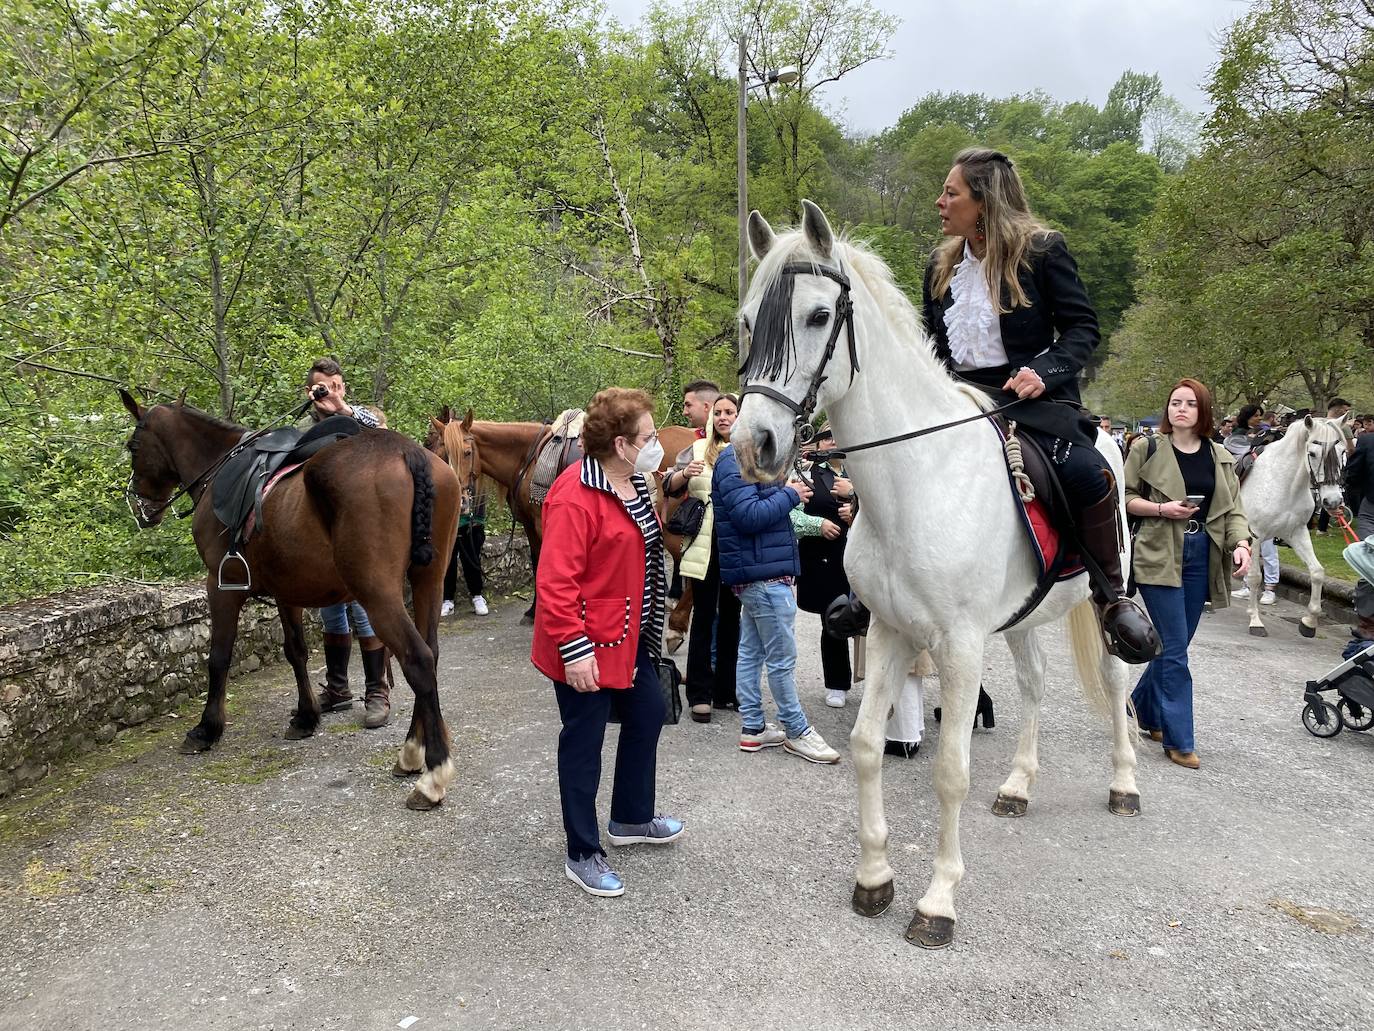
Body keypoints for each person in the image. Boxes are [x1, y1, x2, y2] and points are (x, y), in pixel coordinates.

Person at [918, 147, 1157, 662]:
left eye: (951, 193)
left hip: (1030, 398)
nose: (940, 202)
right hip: (957, 400)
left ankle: (1112, 596)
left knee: (1088, 472)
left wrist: (1042, 372)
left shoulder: (1043, 251)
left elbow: (1082, 328)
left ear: (982, 202)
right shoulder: (940, 266)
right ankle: (878, 589)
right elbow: (931, 345)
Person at [530, 387, 683, 897]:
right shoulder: (575, 496)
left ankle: (632, 819)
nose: (656, 443)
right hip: (585, 643)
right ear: (621, 444)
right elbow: (555, 582)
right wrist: (574, 651)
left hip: (628, 636)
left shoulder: (635, 482)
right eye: (648, 436)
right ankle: (582, 850)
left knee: (646, 713)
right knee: (584, 741)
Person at [1124, 379, 1251, 770]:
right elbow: (1124, 499)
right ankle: (1180, 739)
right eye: (1175, 402)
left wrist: (1242, 544)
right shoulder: (1146, 448)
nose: (1181, 409)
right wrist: (1163, 510)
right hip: (1159, 551)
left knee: (1173, 643)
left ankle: (1143, 708)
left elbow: (1233, 510)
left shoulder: (1219, 456)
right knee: (1176, 647)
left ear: (1203, 411)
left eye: (1190, 404)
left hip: (1203, 554)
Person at [713, 438, 841, 763]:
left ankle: (754, 728)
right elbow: (748, 515)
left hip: (762, 573)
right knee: (781, 660)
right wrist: (791, 494)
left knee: (751, 653)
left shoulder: (752, 457)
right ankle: (797, 731)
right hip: (764, 577)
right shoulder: (736, 459)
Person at [300, 357, 391, 729]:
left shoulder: (363, 418)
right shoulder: (304, 427)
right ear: (311, 390)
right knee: (331, 610)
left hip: (362, 530)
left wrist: (342, 410)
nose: (332, 392)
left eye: (337, 385)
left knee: (364, 607)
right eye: (324, 387)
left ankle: (378, 691)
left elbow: (384, 433)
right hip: (318, 533)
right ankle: (338, 689)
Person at [676, 394, 742, 722]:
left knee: (732, 615)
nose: (723, 417)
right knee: (703, 616)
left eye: (730, 412)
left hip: (735, 544)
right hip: (704, 543)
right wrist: (684, 474)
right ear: (711, 416)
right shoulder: (698, 449)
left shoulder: (750, 452)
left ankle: (726, 690)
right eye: (719, 412)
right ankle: (699, 694)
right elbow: (672, 486)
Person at [791, 425, 857, 708]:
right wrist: (817, 525)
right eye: (826, 435)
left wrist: (855, 506)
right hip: (824, 557)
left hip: (860, 555)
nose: (833, 439)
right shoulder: (805, 474)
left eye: (838, 432)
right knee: (833, 618)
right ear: (817, 445)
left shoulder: (863, 472)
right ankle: (837, 682)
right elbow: (790, 515)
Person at [1225, 403, 1280, 604]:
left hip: (1265, 500)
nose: (1258, 418)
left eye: (1260, 415)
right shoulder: (1236, 437)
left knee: (1267, 545)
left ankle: (1270, 587)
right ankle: (1249, 584)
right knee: (1252, 544)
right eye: (1255, 415)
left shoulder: (1265, 434)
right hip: (1245, 499)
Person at [1344, 427, 1374, 641]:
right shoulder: (1368, 442)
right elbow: (1352, 475)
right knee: (1369, 561)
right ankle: (1367, 622)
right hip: (1371, 510)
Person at [441, 497, 489, 617]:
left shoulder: (475, 479)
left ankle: (477, 596)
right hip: (448, 524)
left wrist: (478, 519)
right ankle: (447, 600)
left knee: (471, 560)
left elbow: (480, 492)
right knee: (447, 562)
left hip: (470, 524)